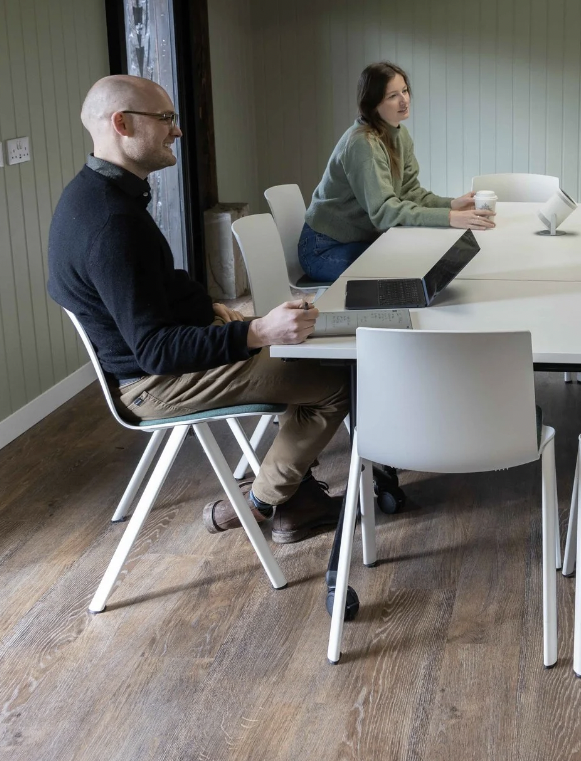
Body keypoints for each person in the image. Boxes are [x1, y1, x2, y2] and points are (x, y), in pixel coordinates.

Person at [48, 74, 349, 543]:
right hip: (154, 383)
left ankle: (295, 501)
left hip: (167, 357)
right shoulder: (112, 224)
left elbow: (162, 288)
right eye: (166, 118)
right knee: (336, 381)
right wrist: (257, 333)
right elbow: (155, 351)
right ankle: (262, 504)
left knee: (315, 344)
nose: (178, 130)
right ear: (122, 123)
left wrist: (221, 314)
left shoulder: (99, 194)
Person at [300, 61, 496, 282]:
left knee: (421, 261)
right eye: (392, 96)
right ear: (373, 103)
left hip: (361, 239)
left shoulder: (399, 135)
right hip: (324, 249)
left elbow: (410, 193)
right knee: (404, 273)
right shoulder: (363, 145)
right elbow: (385, 212)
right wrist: (450, 218)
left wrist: (450, 204)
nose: (404, 100)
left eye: (404, 91)